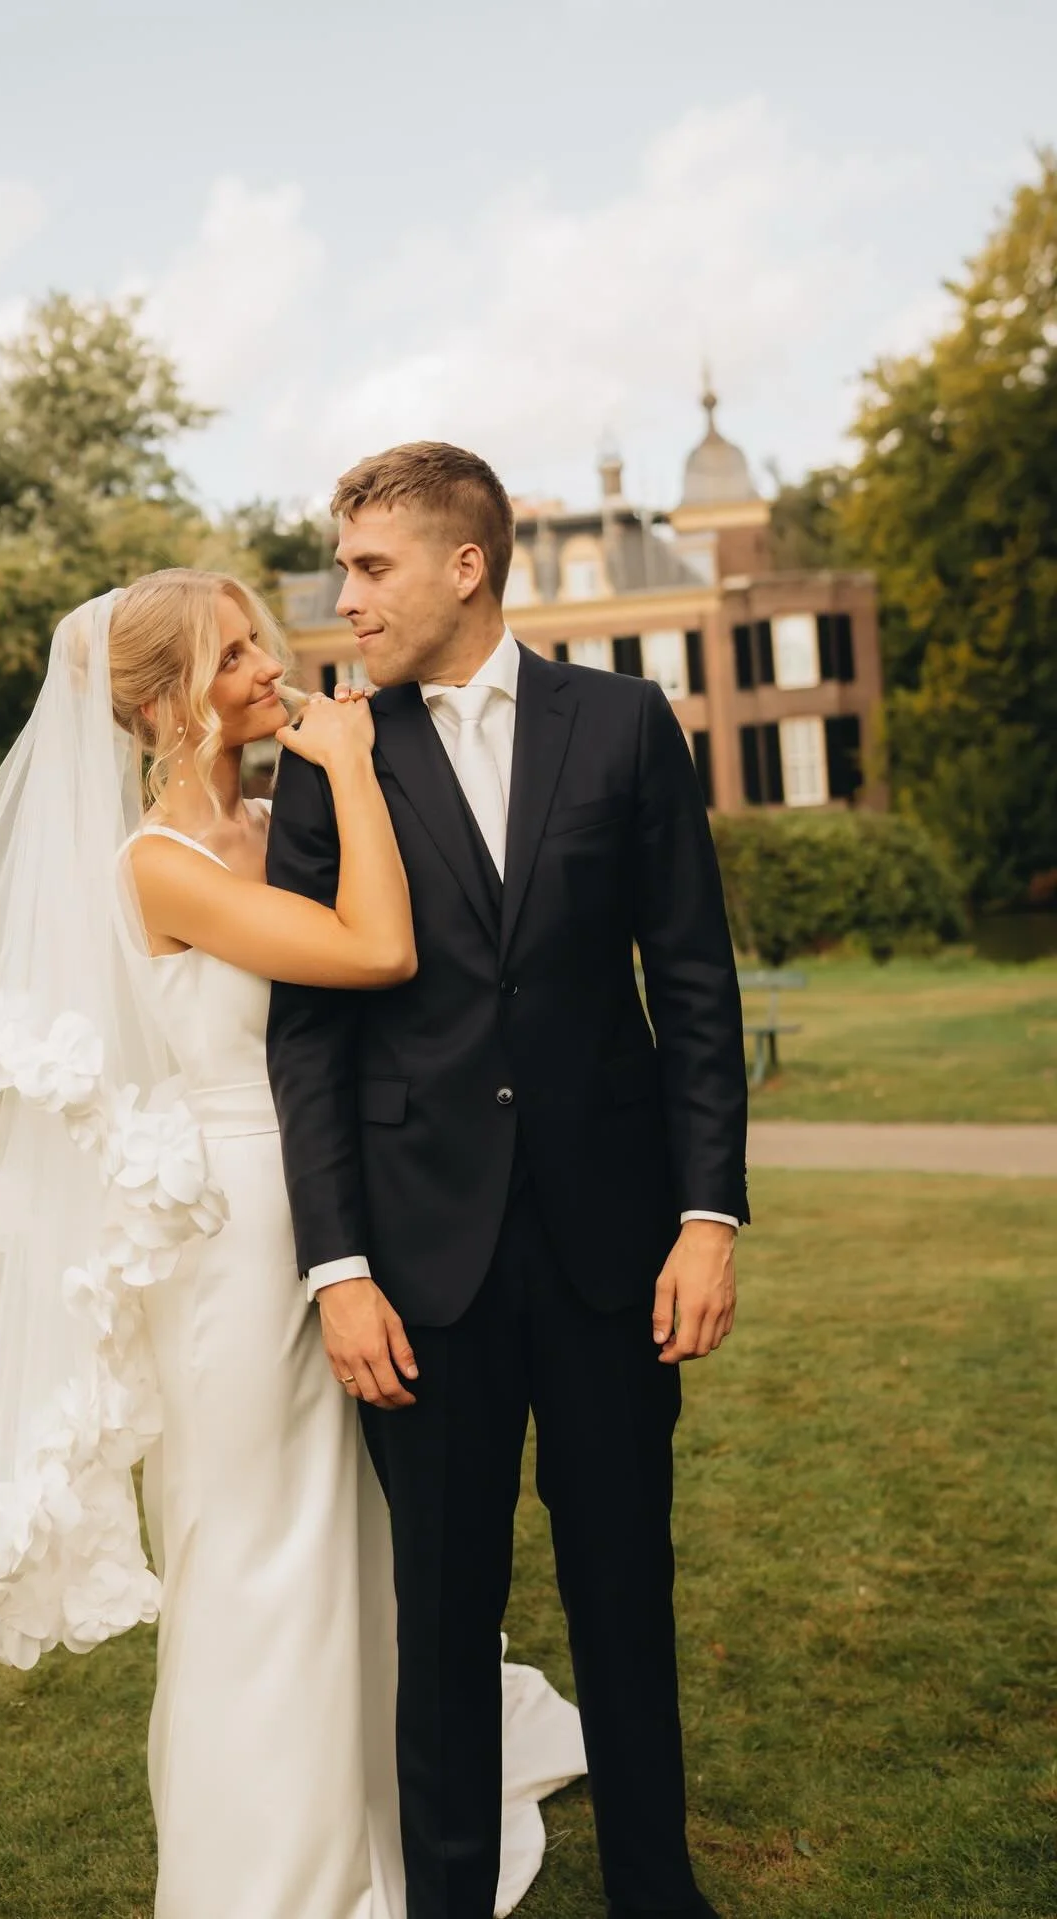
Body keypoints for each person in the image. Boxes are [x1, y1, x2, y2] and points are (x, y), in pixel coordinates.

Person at [0, 570, 584, 1919]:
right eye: (228, 648)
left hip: (338, 1208)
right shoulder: (157, 865)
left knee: (350, 1525)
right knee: (252, 1544)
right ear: (152, 702)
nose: (266, 659)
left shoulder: (263, 820)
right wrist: (355, 764)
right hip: (228, 1231)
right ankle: (266, 1882)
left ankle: (383, 1819)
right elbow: (370, 948)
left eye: (257, 636)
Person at [266, 443, 748, 1919]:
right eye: (342, 566)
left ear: (463, 565)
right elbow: (309, 1039)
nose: (343, 596)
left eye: (369, 566)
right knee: (444, 1621)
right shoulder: (332, 754)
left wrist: (708, 1217)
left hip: (615, 1253)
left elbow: (694, 986)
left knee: (625, 1596)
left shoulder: (623, 727)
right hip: (422, 1270)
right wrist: (338, 1269)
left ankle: (657, 1893)